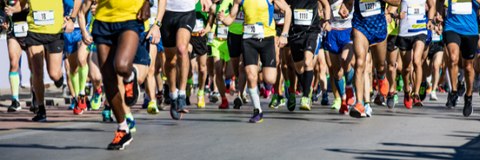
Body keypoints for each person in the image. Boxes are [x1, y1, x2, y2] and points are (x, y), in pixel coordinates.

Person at [218, 0, 291, 122]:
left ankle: (261, 66)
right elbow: (230, 18)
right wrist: (223, 19)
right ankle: (257, 110)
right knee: (251, 77)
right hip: (248, 40)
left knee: (270, 79)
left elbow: (288, 11)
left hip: (267, 39)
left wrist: (284, 34)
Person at [147, 0, 211, 120]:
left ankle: (182, 94)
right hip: (167, 12)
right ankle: (173, 94)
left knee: (182, 49)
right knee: (170, 60)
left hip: (187, 12)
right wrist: (157, 23)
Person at [339, 0, 400, 118]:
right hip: (360, 25)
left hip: (378, 26)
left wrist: (390, 13)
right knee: (360, 62)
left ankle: (381, 77)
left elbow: (396, 2)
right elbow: (348, 2)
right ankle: (359, 104)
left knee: (380, 66)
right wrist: (345, 6)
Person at [18, 0, 66, 122]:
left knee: (54, 74)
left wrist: (72, 18)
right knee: (37, 70)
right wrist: (11, 10)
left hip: (55, 32)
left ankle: (59, 77)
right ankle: (41, 109)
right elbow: (21, 5)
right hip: (35, 32)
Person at [437, 0, 479, 117]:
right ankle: (453, 91)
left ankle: (468, 96)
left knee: (468, 67)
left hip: (470, 29)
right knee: (452, 57)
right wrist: (437, 14)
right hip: (452, 26)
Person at [287, 0, 331, 111]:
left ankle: (306, 96)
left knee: (307, 61)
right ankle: (307, 87)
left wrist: (326, 20)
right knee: (299, 68)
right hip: (294, 33)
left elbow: (326, 4)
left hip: (312, 31)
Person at [394, 0, 435, 108]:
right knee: (406, 67)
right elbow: (393, 4)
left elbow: (432, 6)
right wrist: (395, 15)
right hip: (404, 32)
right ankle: (407, 90)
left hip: (420, 31)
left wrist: (430, 20)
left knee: (417, 61)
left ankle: (416, 94)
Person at [325, 0, 355, 114]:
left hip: (348, 31)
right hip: (333, 32)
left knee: (345, 60)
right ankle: (343, 99)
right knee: (336, 72)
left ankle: (349, 87)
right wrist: (324, 20)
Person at [3, 0, 30, 112]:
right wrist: (5, 23)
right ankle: (15, 100)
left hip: (30, 31)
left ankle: (36, 98)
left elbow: (28, 5)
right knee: (14, 63)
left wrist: (13, 9)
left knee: (34, 66)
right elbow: (7, 10)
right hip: (14, 32)